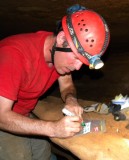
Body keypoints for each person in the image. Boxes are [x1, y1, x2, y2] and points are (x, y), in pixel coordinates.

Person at [0, 4, 110, 160]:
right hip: (4, 119)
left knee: (44, 153)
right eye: (77, 58)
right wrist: (53, 128)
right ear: (62, 39)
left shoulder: (58, 54)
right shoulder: (13, 55)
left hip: (22, 112)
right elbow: (1, 116)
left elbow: (66, 86)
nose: (78, 68)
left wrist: (71, 100)